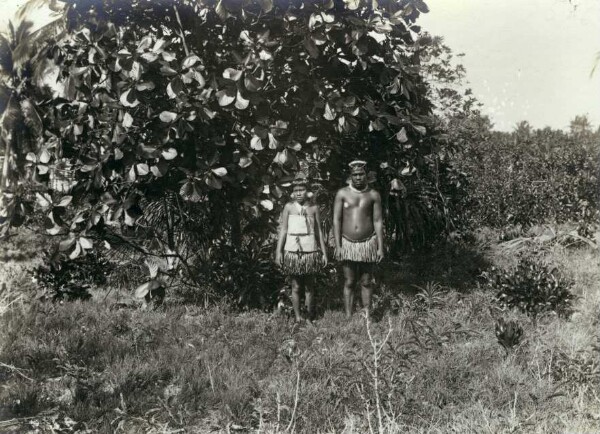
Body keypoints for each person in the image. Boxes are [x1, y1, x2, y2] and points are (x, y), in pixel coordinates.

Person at [333, 160, 384, 318]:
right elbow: (337, 220)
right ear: (350, 176)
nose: (358, 177)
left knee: (366, 281)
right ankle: (348, 315)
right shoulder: (342, 194)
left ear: (366, 175)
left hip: (368, 243)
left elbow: (377, 221)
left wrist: (380, 246)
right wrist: (338, 245)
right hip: (347, 242)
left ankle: (366, 314)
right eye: (355, 175)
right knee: (349, 281)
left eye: (361, 174)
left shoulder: (373, 195)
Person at [276, 173, 329, 323]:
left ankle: (309, 317)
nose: (299, 193)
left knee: (309, 286)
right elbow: (284, 230)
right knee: (296, 285)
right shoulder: (288, 207)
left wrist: (324, 253)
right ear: (292, 191)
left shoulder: (313, 208)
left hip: (310, 251)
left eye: (302, 189)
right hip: (293, 250)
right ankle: (298, 317)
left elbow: (319, 232)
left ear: (307, 191)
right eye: (296, 190)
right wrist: (278, 251)